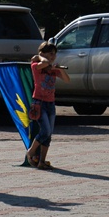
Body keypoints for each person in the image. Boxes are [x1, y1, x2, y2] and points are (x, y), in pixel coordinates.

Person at [26, 41, 70, 170]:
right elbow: (44, 63)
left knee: (49, 134)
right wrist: (39, 57)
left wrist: (60, 69)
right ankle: (31, 152)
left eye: (55, 54)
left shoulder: (53, 70)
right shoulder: (36, 65)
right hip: (39, 102)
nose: (53, 56)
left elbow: (67, 80)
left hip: (50, 103)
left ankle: (42, 161)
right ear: (42, 54)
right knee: (45, 131)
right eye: (51, 54)